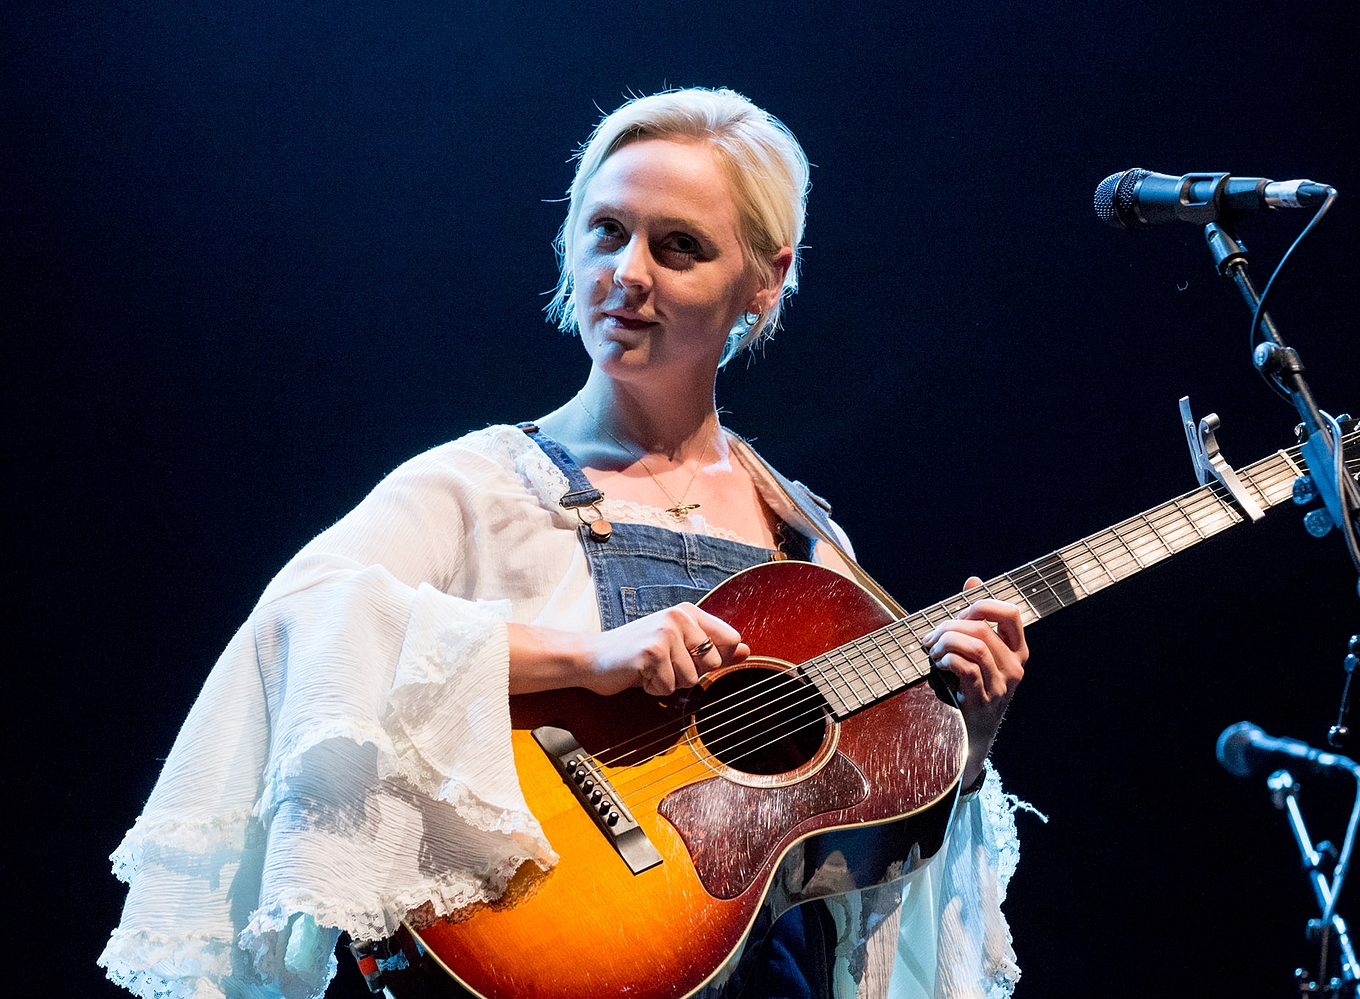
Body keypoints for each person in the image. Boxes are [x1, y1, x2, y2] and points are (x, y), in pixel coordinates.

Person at [100, 87, 1030, 999]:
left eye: (679, 246)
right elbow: (306, 619)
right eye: (606, 230)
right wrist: (589, 656)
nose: (629, 271)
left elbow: (846, 844)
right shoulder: (485, 483)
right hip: (553, 952)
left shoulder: (808, 536)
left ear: (765, 277)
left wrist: (966, 733)